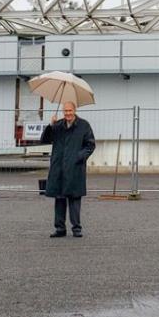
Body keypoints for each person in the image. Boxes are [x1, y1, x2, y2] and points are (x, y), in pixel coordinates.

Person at [40, 101, 96, 238]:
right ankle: (60, 228)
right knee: (59, 198)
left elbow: (90, 145)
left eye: (70, 111)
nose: (68, 113)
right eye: (65, 111)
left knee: (74, 198)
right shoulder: (58, 125)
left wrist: (78, 157)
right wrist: (50, 126)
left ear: (75, 110)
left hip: (75, 168)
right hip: (59, 167)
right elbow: (45, 139)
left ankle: (76, 228)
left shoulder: (84, 125)